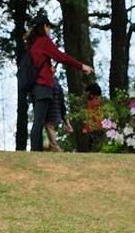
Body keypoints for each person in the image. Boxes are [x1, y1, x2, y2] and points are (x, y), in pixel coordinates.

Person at [24, 11, 93, 152]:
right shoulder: (44, 42)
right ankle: (36, 152)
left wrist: (48, 70)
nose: (50, 30)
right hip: (43, 87)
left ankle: (36, 151)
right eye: (49, 27)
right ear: (44, 26)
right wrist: (82, 66)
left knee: (38, 121)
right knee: (39, 122)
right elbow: (61, 57)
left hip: (33, 88)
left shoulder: (32, 45)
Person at [44, 65, 73, 152]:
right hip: (57, 118)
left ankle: (62, 158)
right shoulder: (58, 86)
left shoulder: (46, 84)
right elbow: (63, 106)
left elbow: (62, 106)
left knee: (52, 144)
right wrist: (67, 123)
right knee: (47, 143)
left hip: (49, 117)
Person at [83, 82, 105, 152]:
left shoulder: (91, 103)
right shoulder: (100, 102)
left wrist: (86, 128)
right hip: (101, 127)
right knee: (99, 144)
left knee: (92, 146)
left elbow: (90, 117)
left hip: (93, 128)